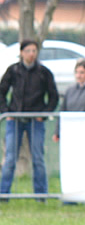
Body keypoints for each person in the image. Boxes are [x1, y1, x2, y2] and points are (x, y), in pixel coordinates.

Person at [0, 39, 59, 200]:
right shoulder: (13, 71)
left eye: (34, 51)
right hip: (15, 120)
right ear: (21, 52)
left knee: (38, 158)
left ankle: (41, 195)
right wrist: (7, 112)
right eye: (28, 51)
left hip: (35, 121)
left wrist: (44, 114)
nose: (31, 54)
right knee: (10, 158)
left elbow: (53, 97)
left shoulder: (43, 72)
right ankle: (3, 194)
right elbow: (1, 93)